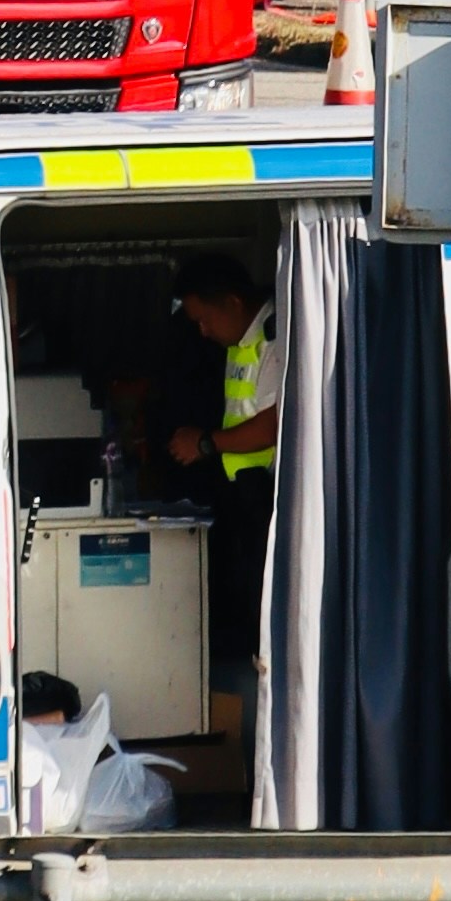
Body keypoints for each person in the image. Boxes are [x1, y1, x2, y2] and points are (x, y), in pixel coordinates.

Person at [164, 249, 279, 701]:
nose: (203, 331)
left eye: (205, 319)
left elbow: (274, 422)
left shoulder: (273, 336)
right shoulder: (240, 341)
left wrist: (205, 443)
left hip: (267, 494)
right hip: (242, 496)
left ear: (232, 303)